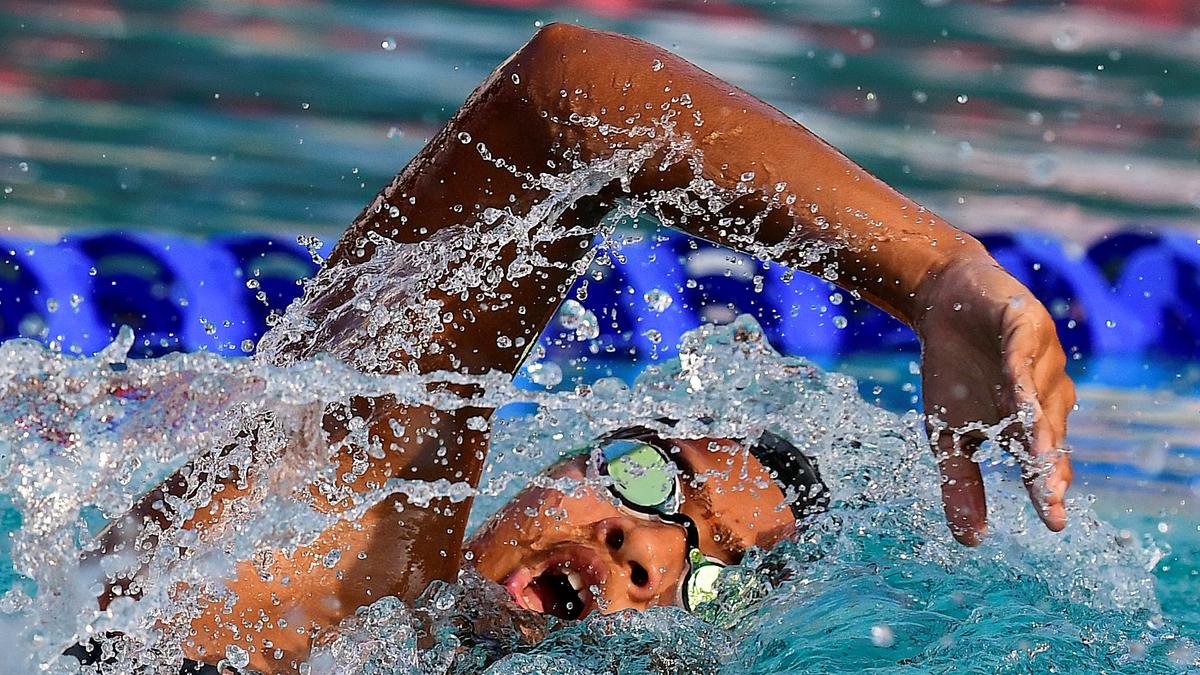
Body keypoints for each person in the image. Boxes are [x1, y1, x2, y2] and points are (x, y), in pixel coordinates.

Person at [85, 24, 1075, 674]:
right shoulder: (355, 536)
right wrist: (940, 273)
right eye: (648, 478)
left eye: (707, 574)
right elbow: (559, 99)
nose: (643, 547)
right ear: (560, 464)